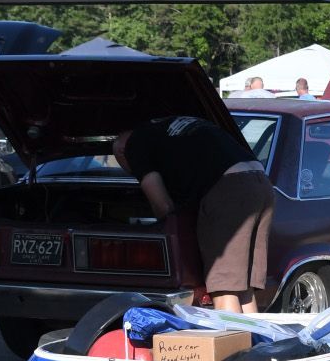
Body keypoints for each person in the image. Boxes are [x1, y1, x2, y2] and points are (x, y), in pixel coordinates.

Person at [113, 115, 274, 313]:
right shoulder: (170, 128)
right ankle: (256, 342)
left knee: (224, 290)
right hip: (260, 182)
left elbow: (163, 206)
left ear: (121, 149)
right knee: (243, 290)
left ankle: (234, 344)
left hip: (229, 189)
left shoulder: (133, 144)